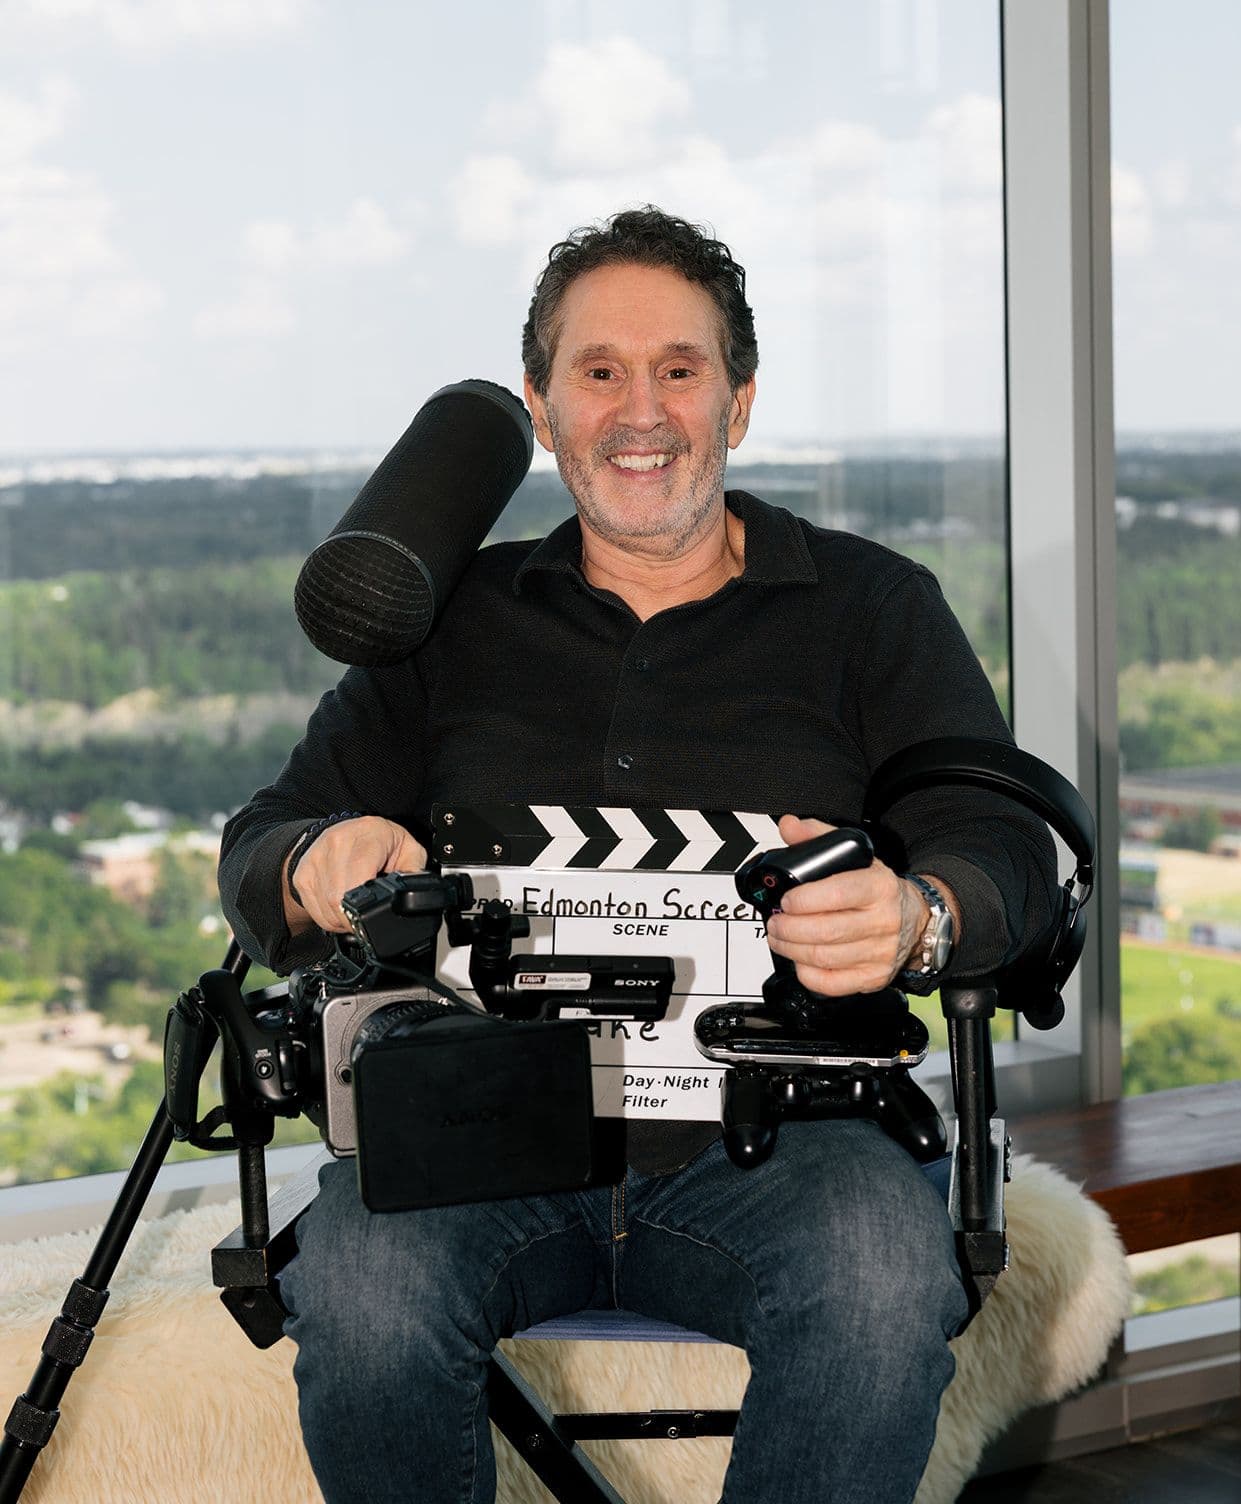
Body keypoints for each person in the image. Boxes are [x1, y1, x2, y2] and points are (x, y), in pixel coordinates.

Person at [218, 207, 1057, 1504]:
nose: (640, 409)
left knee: (883, 1279)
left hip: (788, 1134)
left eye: (679, 368)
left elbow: (994, 837)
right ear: (541, 410)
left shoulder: (870, 606)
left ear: (739, 400)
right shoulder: (447, 625)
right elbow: (262, 841)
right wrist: (317, 858)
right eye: (597, 372)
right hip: (475, 1132)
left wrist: (924, 915)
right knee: (363, 1287)